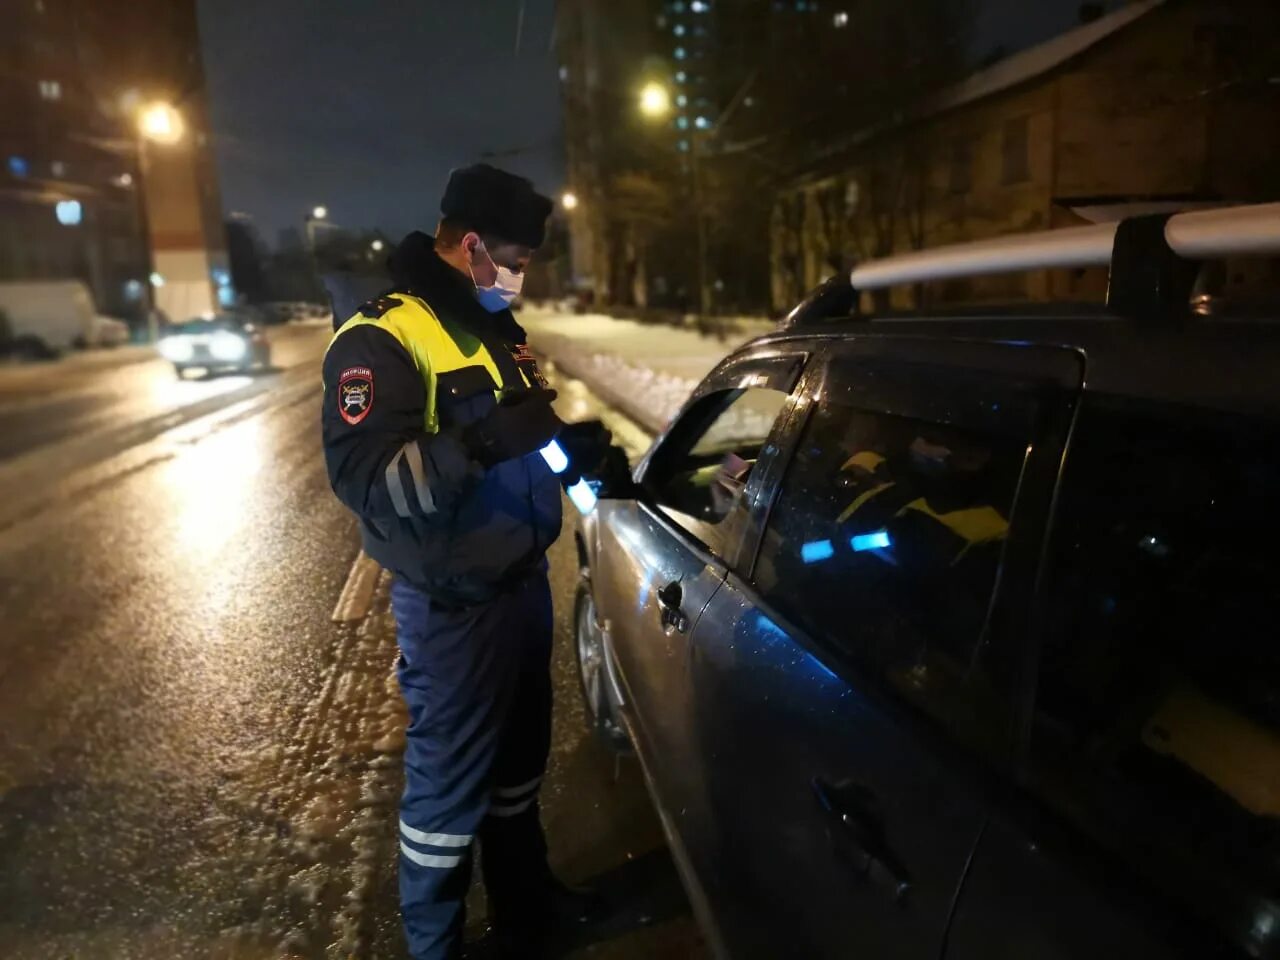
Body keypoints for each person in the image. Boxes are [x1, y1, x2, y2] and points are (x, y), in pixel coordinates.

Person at [320, 163, 611, 959]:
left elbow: (526, 438)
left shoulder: (487, 328)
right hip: (453, 604)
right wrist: (480, 445)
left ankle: (527, 908)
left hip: (519, 588)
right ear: (474, 244)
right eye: (516, 255)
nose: (521, 274)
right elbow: (368, 484)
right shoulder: (382, 337)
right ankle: (434, 943)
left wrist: (570, 453)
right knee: (446, 799)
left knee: (519, 772)